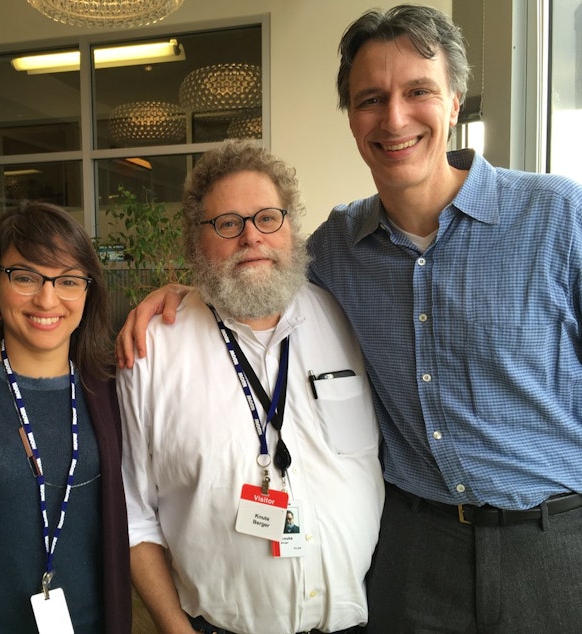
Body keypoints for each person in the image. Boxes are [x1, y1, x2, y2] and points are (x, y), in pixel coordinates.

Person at [118, 5, 582, 632]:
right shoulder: (338, 247)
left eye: (418, 90)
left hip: (553, 543)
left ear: (455, 100)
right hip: (413, 558)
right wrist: (181, 289)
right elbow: (250, 268)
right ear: (351, 117)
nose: (394, 118)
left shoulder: (559, 218)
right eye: (370, 99)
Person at [118, 140, 383, 634]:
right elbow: (133, 513)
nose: (251, 237)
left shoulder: (348, 316)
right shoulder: (152, 350)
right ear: (196, 242)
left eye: (267, 218)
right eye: (227, 223)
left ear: (290, 228)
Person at [0, 201, 131, 634]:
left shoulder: (114, 386)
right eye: (25, 277)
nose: (47, 298)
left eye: (69, 281)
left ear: (88, 291)